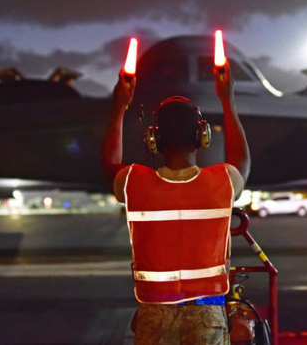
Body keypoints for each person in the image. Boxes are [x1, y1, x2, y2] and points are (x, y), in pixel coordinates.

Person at [101, 61, 250, 345]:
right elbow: (242, 161)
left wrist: (119, 106)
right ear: (201, 137)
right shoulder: (223, 181)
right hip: (207, 315)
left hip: (155, 315)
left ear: (153, 139)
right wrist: (227, 99)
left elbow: (108, 163)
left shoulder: (135, 183)